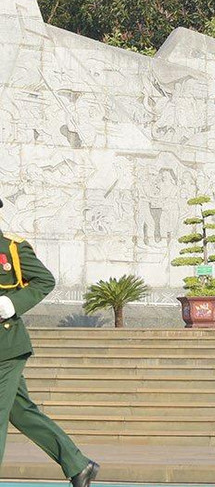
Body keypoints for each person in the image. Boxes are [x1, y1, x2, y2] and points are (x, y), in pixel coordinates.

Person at [0, 196, 101, 487]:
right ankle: (78, 465)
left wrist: (12, 302)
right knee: (21, 412)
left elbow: (45, 279)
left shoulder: (12, 249)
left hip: (5, 347)